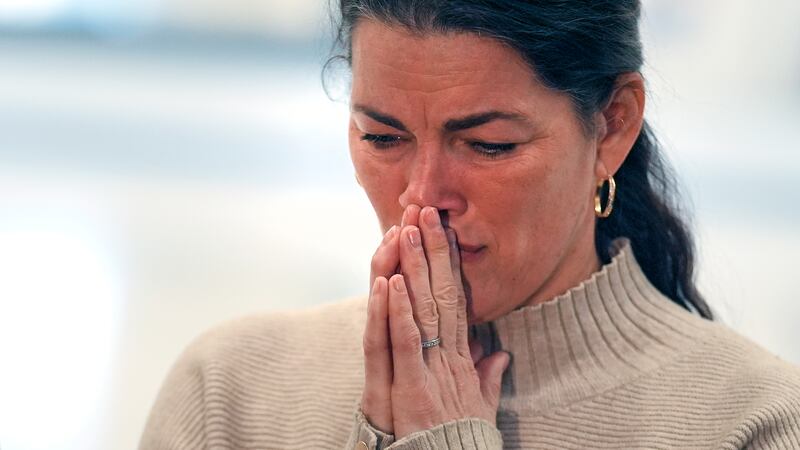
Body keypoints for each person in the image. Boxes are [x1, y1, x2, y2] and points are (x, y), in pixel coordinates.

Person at [139, 1, 800, 449]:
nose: (421, 199)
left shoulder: (753, 421)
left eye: (488, 146)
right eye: (382, 137)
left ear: (614, 124)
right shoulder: (232, 390)